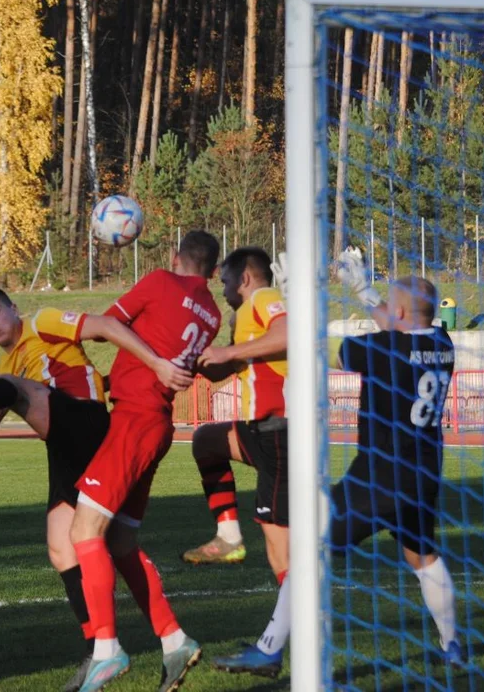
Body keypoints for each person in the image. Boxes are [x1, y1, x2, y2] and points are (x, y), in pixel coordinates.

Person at [0, 287, 192, 692]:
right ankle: (99, 650)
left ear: (14, 309)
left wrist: (157, 363)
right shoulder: (5, 369)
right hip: (62, 445)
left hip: (86, 421)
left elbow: (106, 325)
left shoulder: (43, 323)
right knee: (62, 547)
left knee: (15, 388)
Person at [69, 231, 222, 692]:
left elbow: (104, 324)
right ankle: (174, 639)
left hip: (134, 420)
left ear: (175, 259)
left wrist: (149, 361)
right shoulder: (212, 315)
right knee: (121, 543)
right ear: (213, 272)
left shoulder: (158, 281)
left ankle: (106, 649)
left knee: (84, 531)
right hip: (156, 426)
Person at [330, 248, 465, 666]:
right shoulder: (443, 342)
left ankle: (276, 648)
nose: (386, 306)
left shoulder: (385, 347)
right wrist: (365, 292)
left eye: (391, 300)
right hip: (423, 473)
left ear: (402, 310)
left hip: (379, 476)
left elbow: (330, 353)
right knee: (422, 556)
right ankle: (452, 645)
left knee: (306, 544)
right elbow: (402, 328)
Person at [178, 247, 291, 679]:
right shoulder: (243, 318)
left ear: (244, 277)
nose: (222, 290)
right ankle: (228, 536)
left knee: (282, 553)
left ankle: (275, 645)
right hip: (259, 432)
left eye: (224, 281)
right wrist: (203, 362)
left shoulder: (262, 299)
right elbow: (237, 363)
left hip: (282, 433)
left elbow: (290, 334)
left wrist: (228, 354)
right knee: (206, 440)